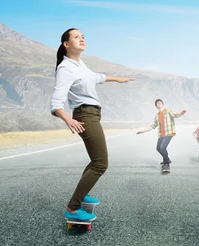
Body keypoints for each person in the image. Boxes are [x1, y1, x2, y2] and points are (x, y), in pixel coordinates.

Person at [50, 28, 135, 222]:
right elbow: (56, 103)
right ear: (66, 44)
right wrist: (68, 119)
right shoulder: (65, 69)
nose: (81, 39)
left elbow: (97, 77)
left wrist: (118, 79)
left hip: (93, 114)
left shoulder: (80, 65)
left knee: (95, 159)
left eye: (83, 36)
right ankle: (72, 208)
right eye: (76, 37)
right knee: (101, 163)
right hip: (84, 115)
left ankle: (83, 193)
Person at [136, 99, 187, 171]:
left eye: (160, 102)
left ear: (163, 104)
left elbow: (175, 115)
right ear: (156, 106)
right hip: (161, 134)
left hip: (169, 132)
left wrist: (181, 113)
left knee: (163, 148)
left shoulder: (168, 110)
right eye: (157, 103)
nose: (159, 103)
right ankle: (167, 159)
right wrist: (143, 131)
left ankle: (166, 165)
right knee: (158, 148)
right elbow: (153, 126)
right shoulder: (157, 116)